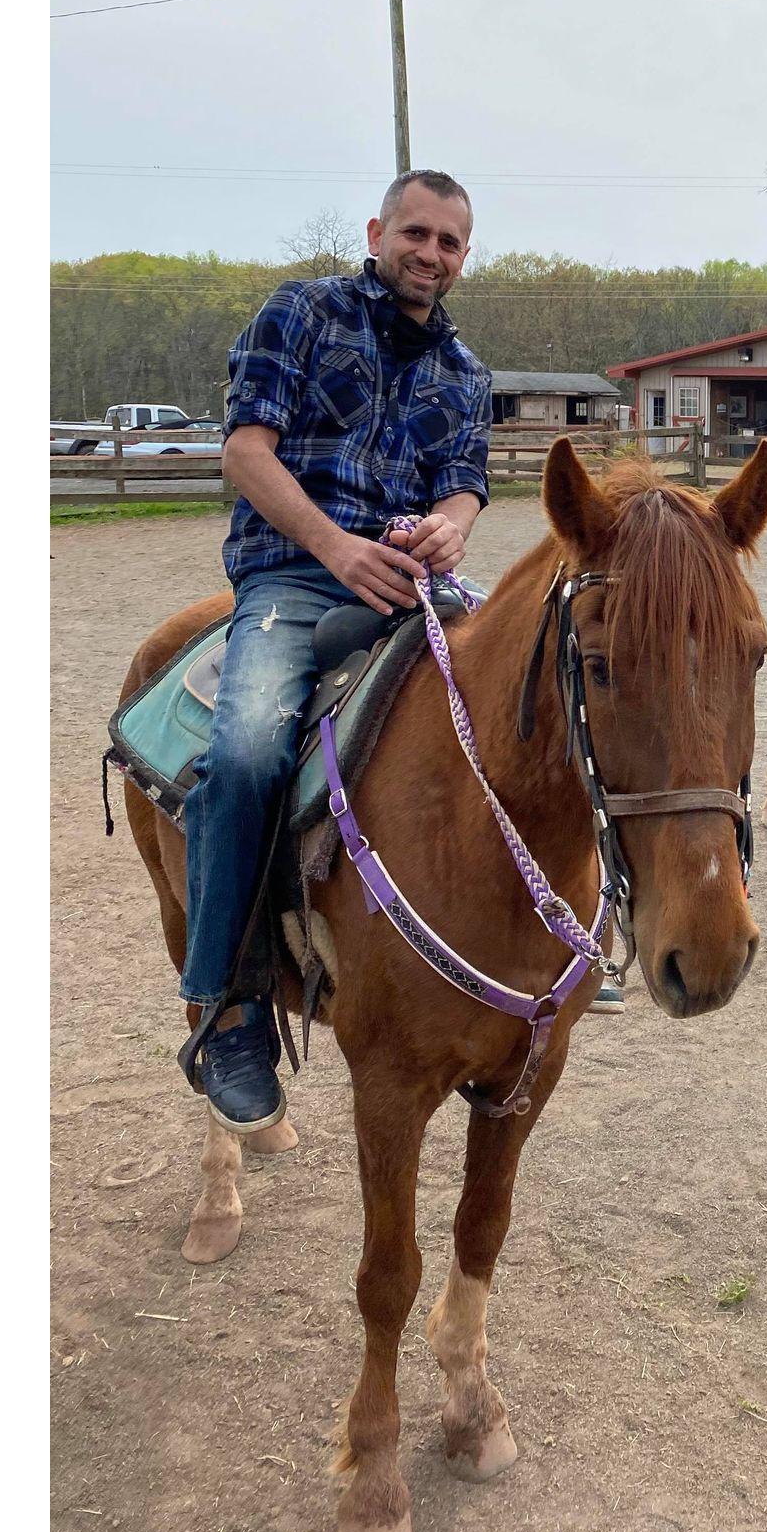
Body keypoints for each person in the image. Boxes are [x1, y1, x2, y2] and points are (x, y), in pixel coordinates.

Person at [181, 169, 493, 1131]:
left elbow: (465, 484)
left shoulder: (466, 372)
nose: (429, 254)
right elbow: (245, 453)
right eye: (415, 233)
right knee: (244, 757)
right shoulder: (303, 316)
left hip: (410, 581)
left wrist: (450, 527)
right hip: (296, 573)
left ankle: (556, 938)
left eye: (447, 241)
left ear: (463, 256)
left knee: (538, 686)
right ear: (378, 230)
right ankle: (226, 1008)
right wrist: (335, 547)